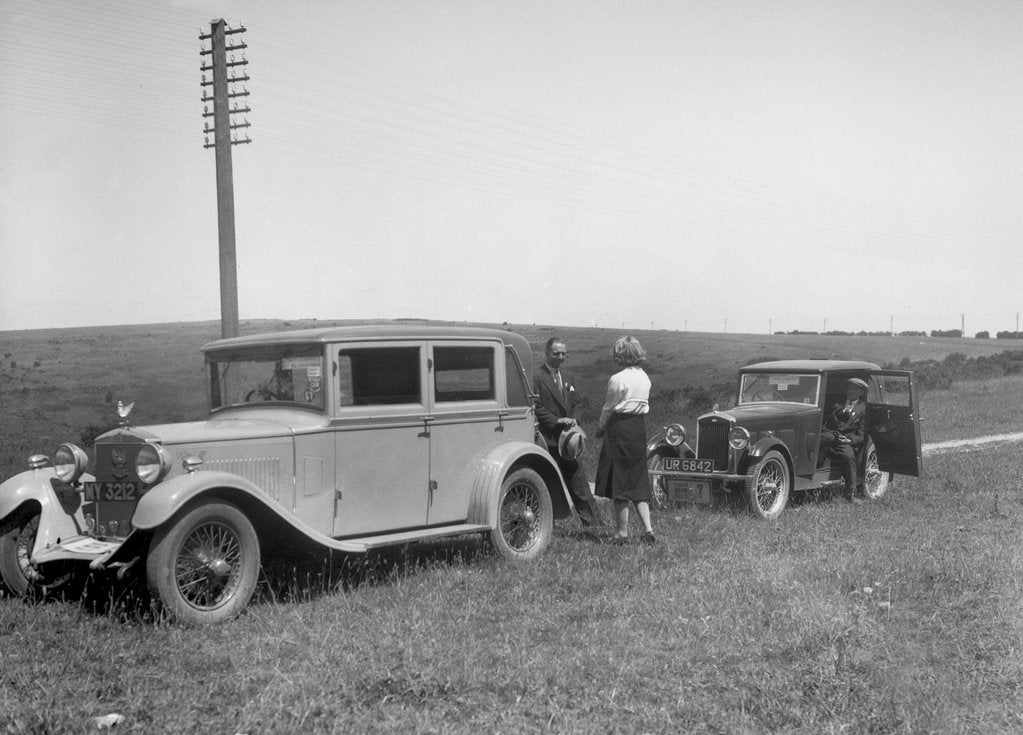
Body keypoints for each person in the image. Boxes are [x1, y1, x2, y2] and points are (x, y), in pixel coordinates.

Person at [533, 337, 603, 527]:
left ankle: (594, 524)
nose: (561, 357)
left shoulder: (568, 377)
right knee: (547, 481)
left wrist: (574, 420)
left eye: (564, 354)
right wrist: (556, 421)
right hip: (547, 438)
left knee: (578, 479)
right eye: (556, 353)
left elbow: (577, 402)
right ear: (546, 353)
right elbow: (536, 407)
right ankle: (547, 525)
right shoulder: (536, 377)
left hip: (569, 438)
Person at [594, 336, 655, 544]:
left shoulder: (617, 379)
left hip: (619, 429)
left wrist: (601, 427)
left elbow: (609, 407)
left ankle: (621, 533)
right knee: (637, 480)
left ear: (621, 355)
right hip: (638, 429)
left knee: (619, 482)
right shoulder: (645, 377)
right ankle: (648, 530)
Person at [819, 377, 869, 504]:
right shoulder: (837, 403)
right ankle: (813, 466)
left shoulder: (863, 409)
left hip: (845, 440)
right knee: (823, 438)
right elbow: (825, 420)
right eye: (850, 388)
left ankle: (850, 493)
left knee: (848, 456)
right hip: (830, 433)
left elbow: (861, 435)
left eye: (855, 390)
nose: (851, 392)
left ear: (861, 393)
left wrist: (849, 441)